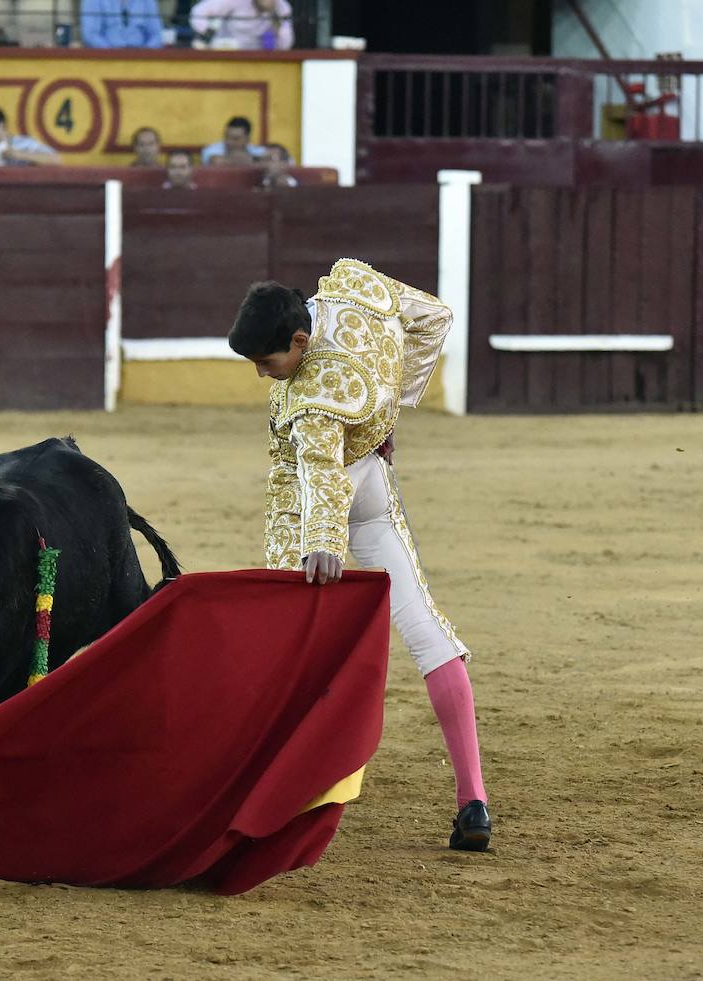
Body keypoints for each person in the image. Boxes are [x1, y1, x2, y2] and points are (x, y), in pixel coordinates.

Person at [226, 260, 492, 852]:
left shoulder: (312, 397)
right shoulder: (354, 285)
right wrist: (387, 410)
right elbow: (433, 320)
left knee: (286, 645)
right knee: (427, 629)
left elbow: (319, 472)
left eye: (269, 364)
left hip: (306, 503)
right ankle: (473, 801)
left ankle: (269, 794)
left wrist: (320, 542)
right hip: (371, 478)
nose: (267, 378)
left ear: (298, 341)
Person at [190, 0, 292, 51]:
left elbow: (285, 46)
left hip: (257, 59)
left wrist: (278, 24)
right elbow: (198, 12)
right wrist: (209, 33)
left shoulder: (281, 7)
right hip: (225, 52)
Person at [81, 0, 163, 48]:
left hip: (141, 59)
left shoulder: (147, 1)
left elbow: (156, 35)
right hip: (106, 60)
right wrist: (113, 54)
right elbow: (90, 35)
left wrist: (144, 54)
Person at [199, 115, 265, 166]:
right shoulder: (210, 149)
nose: (229, 142)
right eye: (226, 137)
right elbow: (216, 162)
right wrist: (254, 160)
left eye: (235, 139)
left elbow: (267, 161)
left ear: (247, 139)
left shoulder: (259, 151)